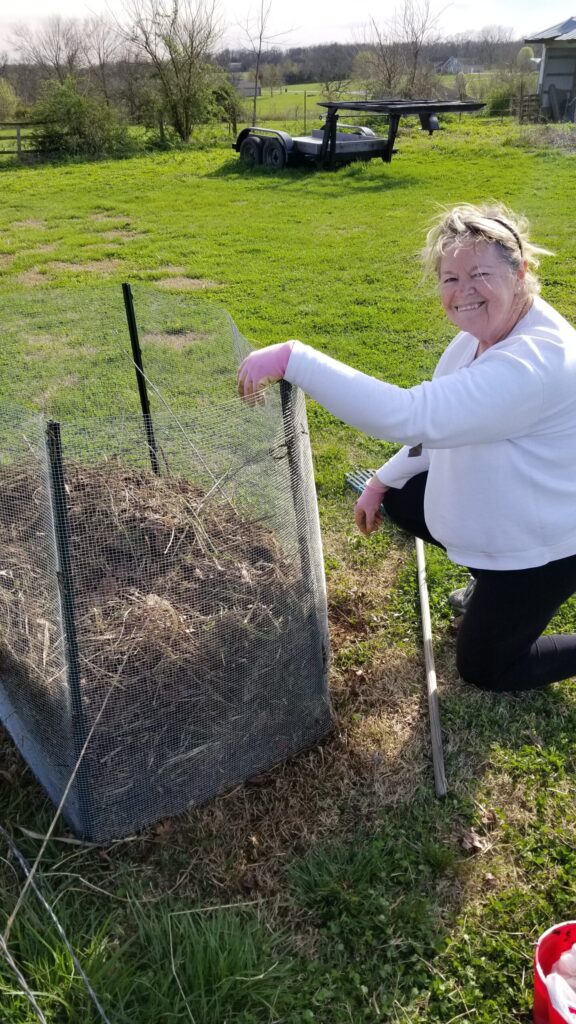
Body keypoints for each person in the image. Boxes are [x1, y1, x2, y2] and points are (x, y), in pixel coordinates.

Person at [237, 202, 576, 694]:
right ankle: (483, 573)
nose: (463, 293)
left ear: (521, 271)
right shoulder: (479, 339)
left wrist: (294, 358)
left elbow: (407, 416)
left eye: (480, 274)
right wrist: (379, 482)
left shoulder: (536, 362)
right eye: (450, 279)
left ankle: (497, 584)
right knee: (401, 495)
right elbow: (436, 431)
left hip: (540, 549)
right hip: (508, 509)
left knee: (486, 669)